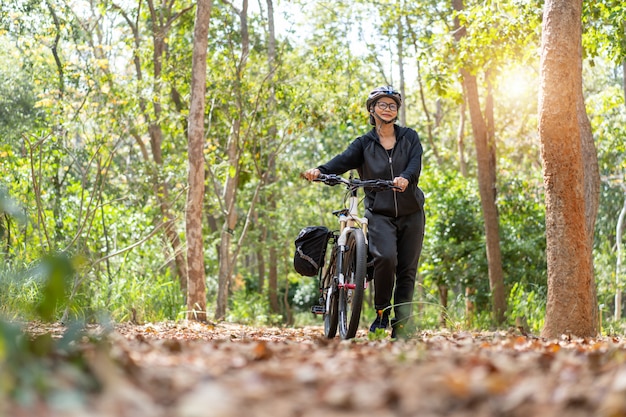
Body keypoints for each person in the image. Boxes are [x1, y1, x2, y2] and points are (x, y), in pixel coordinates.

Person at [303, 86, 425, 338]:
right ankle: (381, 314)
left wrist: (405, 177)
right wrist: (319, 170)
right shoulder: (364, 144)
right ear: (372, 109)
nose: (388, 109)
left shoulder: (409, 137)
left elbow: (415, 162)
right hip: (379, 213)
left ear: (397, 110)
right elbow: (342, 160)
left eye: (392, 105)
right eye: (382, 104)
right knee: (386, 258)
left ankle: (402, 324)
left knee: (407, 268)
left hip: (411, 211)